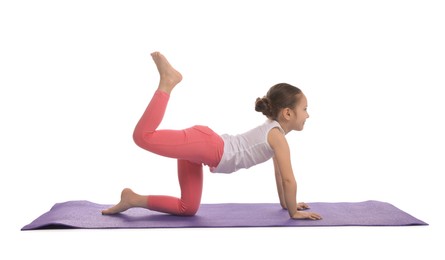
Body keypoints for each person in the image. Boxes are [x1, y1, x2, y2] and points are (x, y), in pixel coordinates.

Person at [101, 52, 322, 220]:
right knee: (143, 137)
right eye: (305, 109)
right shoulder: (277, 136)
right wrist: (294, 213)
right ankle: (167, 82)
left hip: (202, 152)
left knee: (188, 208)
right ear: (288, 113)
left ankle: (132, 199)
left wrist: (287, 205)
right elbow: (288, 179)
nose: (308, 115)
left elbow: (279, 176)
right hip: (207, 145)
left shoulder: (275, 134)